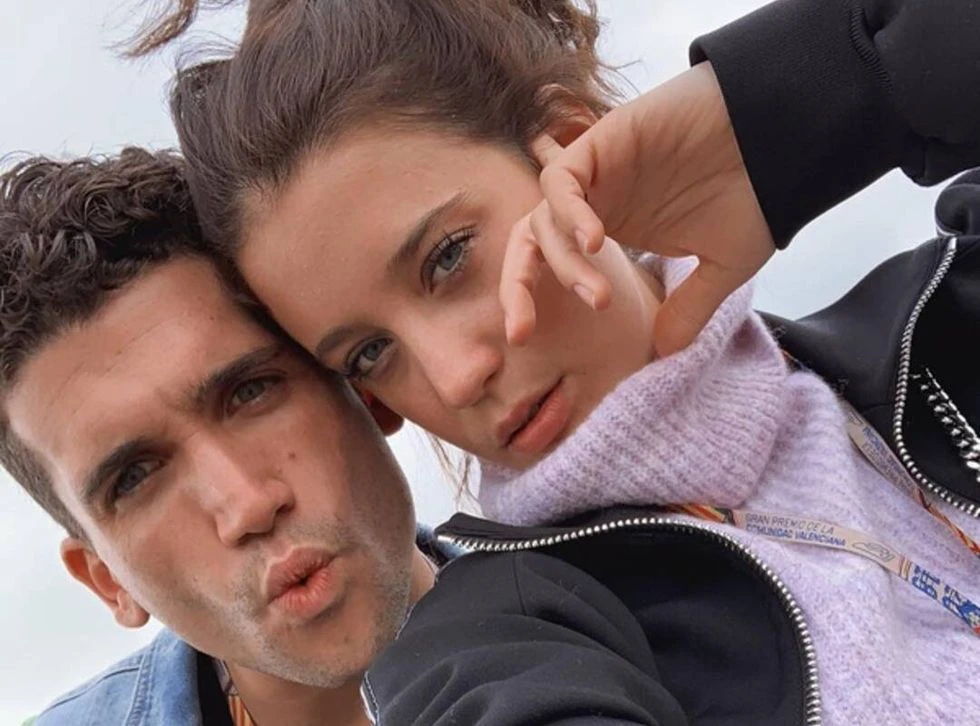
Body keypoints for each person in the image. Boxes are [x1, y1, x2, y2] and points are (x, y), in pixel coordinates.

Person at [153, 0, 980, 723]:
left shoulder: (943, 320)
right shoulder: (496, 646)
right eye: (371, 353)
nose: (453, 377)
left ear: (577, 154)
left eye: (448, 257)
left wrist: (793, 107)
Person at [3, 150, 827, 726]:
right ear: (104, 580)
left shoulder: (683, 617)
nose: (247, 504)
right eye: (136, 476)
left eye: (250, 392)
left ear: (362, 389)